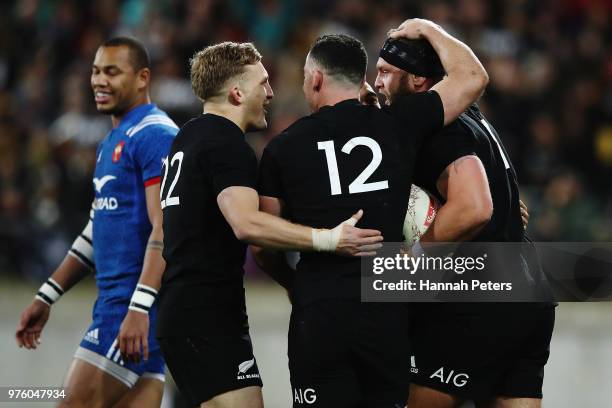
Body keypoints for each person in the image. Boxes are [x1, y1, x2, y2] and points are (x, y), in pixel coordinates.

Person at [255, 22, 488, 407]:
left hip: (320, 309)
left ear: (315, 80)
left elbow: (264, 243)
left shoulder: (282, 148)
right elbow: (473, 76)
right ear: (361, 78)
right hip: (385, 309)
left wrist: (294, 284)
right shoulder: (399, 123)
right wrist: (427, 27)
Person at [156, 41, 382, 408]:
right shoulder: (226, 145)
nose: (271, 92)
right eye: (263, 83)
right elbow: (246, 224)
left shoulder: (189, 137)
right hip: (206, 316)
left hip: (189, 309)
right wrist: (327, 239)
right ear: (236, 92)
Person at [375, 21, 555, 408]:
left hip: (479, 293)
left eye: (386, 73)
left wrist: (416, 257)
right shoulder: (474, 117)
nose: (377, 84)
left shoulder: (435, 128)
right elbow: (507, 206)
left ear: (421, 82)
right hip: (531, 290)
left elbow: (474, 209)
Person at [15, 37, 178, 407]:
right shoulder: (111, 142)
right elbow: (96, 231)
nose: (99, 81)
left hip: (127, 314)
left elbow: (165, 226)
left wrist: (138, 309)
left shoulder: (155, 135)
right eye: (95, 71)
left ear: (142, 78)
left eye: (112, 72)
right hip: (127, 314)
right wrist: (47, 295)